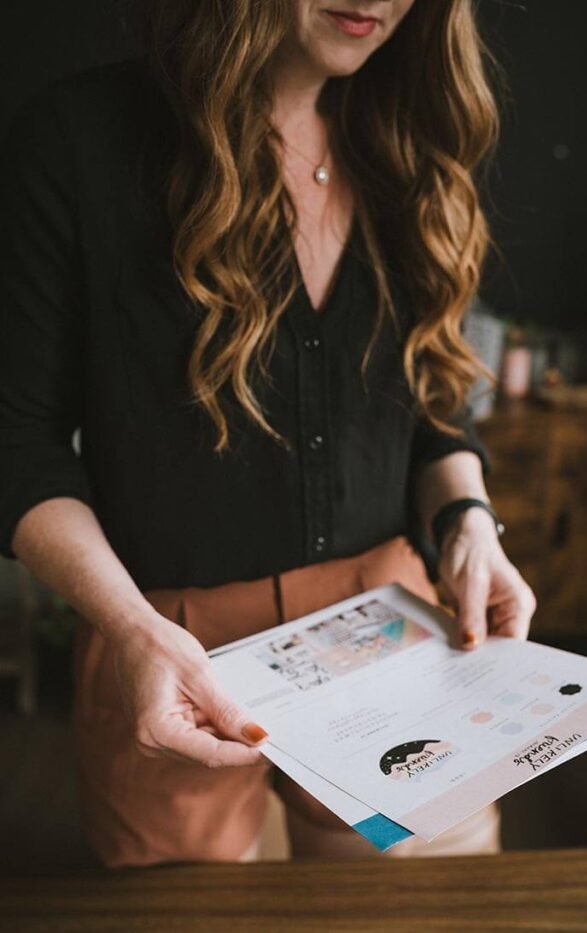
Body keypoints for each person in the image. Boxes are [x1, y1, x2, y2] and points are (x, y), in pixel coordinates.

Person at [0, 0, 537, 867]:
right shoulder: (76, 142)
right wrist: (133, 630)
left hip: (391, 624)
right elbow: (14, 442)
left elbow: (433, 402)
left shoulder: (411, 146)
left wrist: (468, 523)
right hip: (170, 645)